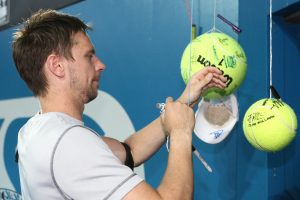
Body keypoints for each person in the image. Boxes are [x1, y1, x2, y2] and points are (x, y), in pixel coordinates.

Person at [12, 9, 227, 200]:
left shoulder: (37, 130)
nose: (101, 65)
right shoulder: (68, 143)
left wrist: (183, 102)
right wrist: (180, 132)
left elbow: (129, 151)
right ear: (57, 66)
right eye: (89, 56)